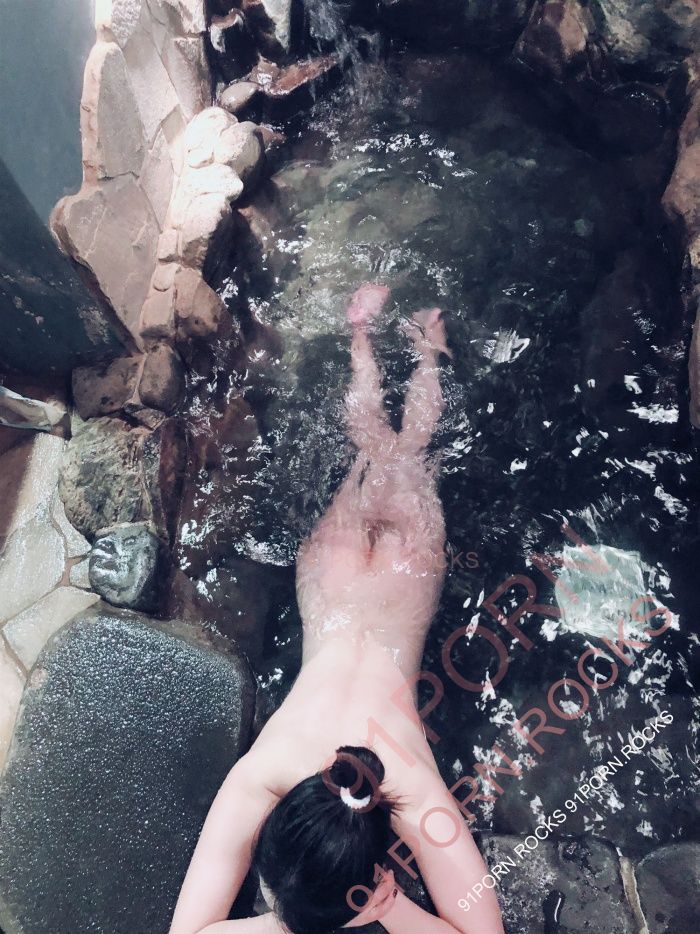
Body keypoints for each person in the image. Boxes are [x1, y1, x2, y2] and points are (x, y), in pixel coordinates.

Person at [169, 284, 504, 934]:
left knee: (405, 453)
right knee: (381, 453)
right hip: (336, 579)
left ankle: (417, 345)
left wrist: (317, 917)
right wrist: (359, 905)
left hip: (400, 591)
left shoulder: (406, 783)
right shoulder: (266, 774)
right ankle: (369, 333)